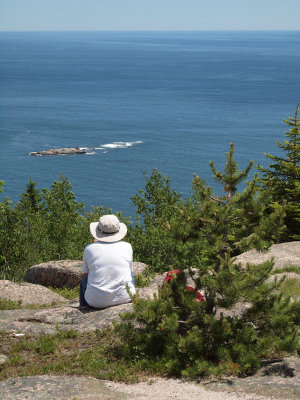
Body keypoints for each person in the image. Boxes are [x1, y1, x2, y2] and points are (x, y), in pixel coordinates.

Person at [79, 214, 135, 308]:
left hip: (95, 302)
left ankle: (84, 307)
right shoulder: (127, 246)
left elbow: (86, 275)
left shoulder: (89, 249)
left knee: (84, 278)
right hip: (125, 298)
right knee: (129, 273)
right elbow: (129, 270)